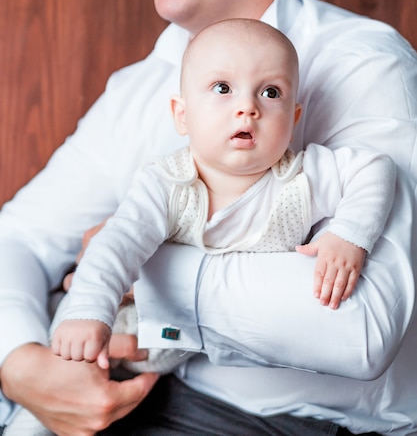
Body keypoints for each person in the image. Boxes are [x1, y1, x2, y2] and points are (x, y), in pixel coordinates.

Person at [0, 0, 416, 436]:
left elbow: (360, 329)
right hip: (163, 399)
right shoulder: (143, 85)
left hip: (313, 423)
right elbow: (22, 235)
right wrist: (19, 362)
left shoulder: (363, 62)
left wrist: (139, 267)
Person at [49, 19, 395, 371]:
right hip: (113, 321)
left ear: (293, 119)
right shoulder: (168, 183)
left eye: (271, 92)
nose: (247, 106)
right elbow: (116, 243)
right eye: (222, 88)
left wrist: (349, 235)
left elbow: (375, 169)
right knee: (61, 377)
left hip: (194, 355)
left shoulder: (302, 178)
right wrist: (86, 311)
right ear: (182, 116)